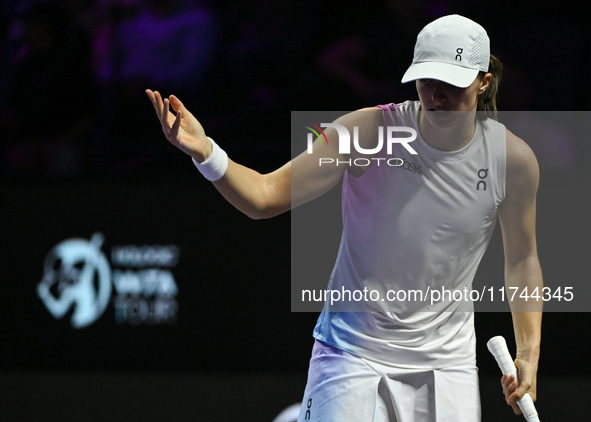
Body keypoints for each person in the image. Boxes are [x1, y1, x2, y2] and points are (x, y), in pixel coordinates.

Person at [146, 14, 542, 422]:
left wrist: (528, 354)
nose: (436, 97)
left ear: (483, 81)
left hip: (447, 367)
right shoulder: (367, 129)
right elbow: (265, 196)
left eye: (452, 85)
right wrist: (206, 152)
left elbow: (522, 259)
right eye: (427, 81)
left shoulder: (513, 160)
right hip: (351, 354)